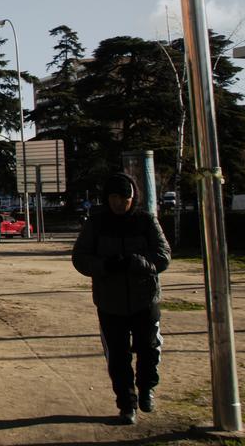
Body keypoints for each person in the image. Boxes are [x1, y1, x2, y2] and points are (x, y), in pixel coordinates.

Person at [72, 172, 171, 425]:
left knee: (148, 349)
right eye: (115, 198)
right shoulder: (96, 224)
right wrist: (104, 266)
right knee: (118, 357)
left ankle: (147, 388)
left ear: (133, 197)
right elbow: (80, 258)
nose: (120, 203)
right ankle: (127, 404)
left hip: (144, 298)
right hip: (109, 301)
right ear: (107, 198)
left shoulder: (146, 221)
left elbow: (163, 255)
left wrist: (140, 263)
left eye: (125, 198)